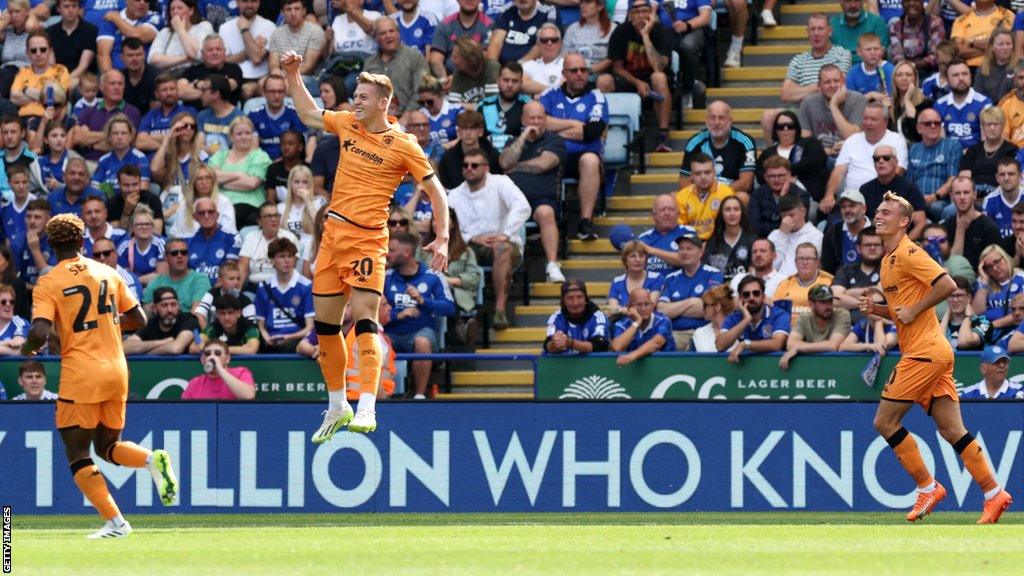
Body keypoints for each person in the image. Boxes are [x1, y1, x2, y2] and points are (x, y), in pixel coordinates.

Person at [283, 54, 450, 438]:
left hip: (368, 240)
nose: (355, 101)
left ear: (382, 103)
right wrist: (292, 74)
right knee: (326, 329)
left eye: (362, 96)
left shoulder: (403, 143)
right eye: (355, 95)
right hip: (332, 238)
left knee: (364, 321)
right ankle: (337, 405)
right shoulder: (347, 124)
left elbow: (435, 191)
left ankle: (367, 407)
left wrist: (441, 237)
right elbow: (309, 113)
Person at [19, 214, 176, 538]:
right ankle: (150, 459)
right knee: (108, 446)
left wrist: (28, 350)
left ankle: (116, 522)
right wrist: (107, 323)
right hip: (117, 369)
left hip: (82, 372)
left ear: (50, 244)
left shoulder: (49, 282)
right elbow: (140, 318)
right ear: (82, 241)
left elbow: (39, 329)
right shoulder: (107, 271)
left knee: (77, 452)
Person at [861, 191, 1012, 523]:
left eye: (886, 212)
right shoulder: (888, 260)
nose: (878, 215)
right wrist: (878, 310)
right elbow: (903, 313)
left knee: (884, 422)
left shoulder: (910, 253)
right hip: (935, 350)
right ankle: (993, 493)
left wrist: (915, 308)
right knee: (952, 429)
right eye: (878, 210)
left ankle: (927, 486)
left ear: (904, 222)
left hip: (924, 353)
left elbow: (946, 284)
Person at [448, 148, 530, 329]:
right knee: (448, 253)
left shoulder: (501, 182)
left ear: (485, 167)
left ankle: (499, 310)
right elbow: (448, 225)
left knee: (501, 248)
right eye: (465, 165)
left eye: (474, 165)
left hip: (502, 242)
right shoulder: (454, 195)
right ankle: (464, 314)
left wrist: (505, 234)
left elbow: (522, 206)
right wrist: (473, 238)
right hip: (470, 245)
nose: (469, 168)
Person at [538, 53, 607, 240]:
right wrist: (575, 124)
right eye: (574, 70)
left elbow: (593, 131)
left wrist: (555, 128)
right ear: (564, 74)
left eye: (583, 70)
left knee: (590, 161)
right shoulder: (550, 94)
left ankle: (585, 222)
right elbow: (537, 123)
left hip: (581, 155)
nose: (579, 74)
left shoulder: (596, 96)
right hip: (553, 153)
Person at [499, 101, 567, 283]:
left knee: (545, 213)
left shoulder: (555, 140)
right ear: (523, 119)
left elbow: (543, 164)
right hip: (512, 202)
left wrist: (517, 166)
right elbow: (505, 163)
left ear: (545, 120)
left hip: (542, 200)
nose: (536, 122)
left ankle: (552, 265)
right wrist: (523, 138)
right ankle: (509, 270)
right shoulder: (513, 141)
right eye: (532, 118)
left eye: (540, 118)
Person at [383, 230, 455, 398]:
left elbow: (449, 307)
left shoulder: (433, 276)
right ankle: (379, 395)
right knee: (371, 340)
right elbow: (374, 310)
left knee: (422, 342)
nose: (387, 254)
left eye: (392, 250)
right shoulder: (385, 277)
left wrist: (424, 301)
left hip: (420, 331)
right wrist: (398, 315)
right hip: (390, 332)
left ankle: (420, 395)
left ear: (406, 253)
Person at [821, 102, 909, 215]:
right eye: (865, 118)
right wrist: (828, 195)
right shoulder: (852, 141)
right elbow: (838, 172)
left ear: (885, 121)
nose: (868, 123)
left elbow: (898, 171)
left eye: (873, 119)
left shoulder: (896, 140)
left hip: (882, 200)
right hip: (850, 201)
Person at [608, 0, 673, 152]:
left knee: (659, 77)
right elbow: (617, 67)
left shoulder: (661, 31)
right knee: (604, 81)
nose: (641, 16)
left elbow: (659, 67)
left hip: (656, 83)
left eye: (645, 11)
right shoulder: (620, 32)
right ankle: (611, 133)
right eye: (636, 12)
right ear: (629, 15)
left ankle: (663, 134)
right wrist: (637, 83)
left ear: (651, 13)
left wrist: (645, 36)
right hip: (630, 80)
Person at [657, 231, 723, 350]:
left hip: (705, 330)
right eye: (681, 249)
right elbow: (662, 311)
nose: (684, 252)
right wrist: (692, 302)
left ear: (700, 252)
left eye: (689, 248)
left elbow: (711, 308)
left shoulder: (714, 274)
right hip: (676, 333)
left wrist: (675, 309)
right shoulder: (671, 278)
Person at [679, 101, 755, 199]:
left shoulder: (744, 142)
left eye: (721, 118)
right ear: (706, 120)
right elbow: (684, 180)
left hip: (731, 194)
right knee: (674, 198)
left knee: (743, 197)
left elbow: (746, 183)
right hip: (701, 193)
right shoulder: (695, 142)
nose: (716, 122)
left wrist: (718, 194)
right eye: (712, 117)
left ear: (730, 120)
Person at [254, 237, 313, 353]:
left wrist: (288, 338)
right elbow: (260, 325)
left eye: (290, 256)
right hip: (271, 340)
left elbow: (309, 327)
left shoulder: (306, 286)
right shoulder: (263, 288)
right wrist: (266, 336)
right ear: (272, 260)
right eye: (282, 256)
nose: (287, 260)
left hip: (296, 339)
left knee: (288, 346)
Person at [779, 14, 852, 108]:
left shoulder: (842, 55)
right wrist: (822, 86)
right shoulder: (798, 60)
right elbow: (786, 94)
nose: (816, 33)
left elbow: (836, 87)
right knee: (769, 116)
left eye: (820, 29)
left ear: (830, 31)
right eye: (812, 29)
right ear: (807, 32)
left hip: (832, 108)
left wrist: (801, 90)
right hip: (802, 110)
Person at [754, 111, 828, 203]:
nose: (786, 129)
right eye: (781, 127)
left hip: (809, 198)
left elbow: (815, 161)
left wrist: (784, 173)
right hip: (775, 199)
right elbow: (761, 176)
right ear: (776, 130)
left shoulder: (810, 143)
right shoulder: (767, 153)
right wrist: (786, 176)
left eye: (790, 126)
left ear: (796, 127)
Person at [798, 65, 866, 160]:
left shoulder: (857, 99)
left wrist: (833, 106)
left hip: (851, 156)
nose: (832, 85)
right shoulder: (808, 102)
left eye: (836, 81)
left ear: (843, 82)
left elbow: (852, 137)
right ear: (819, 85)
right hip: (820, 157)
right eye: (827, 82)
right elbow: (805, 143)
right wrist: (828, 151)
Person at [907, 107, 964, 222]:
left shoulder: (952, 145)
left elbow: (952, 179)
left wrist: (934, 197)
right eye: (928, 123)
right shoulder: (914, 149)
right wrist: (916, 199)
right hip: (916, 201)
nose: (933, 126)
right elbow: (909, 182)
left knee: (935, 207)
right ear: (919, 128)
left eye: (937, 123)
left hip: (940, 201)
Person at [859, 146, 928, 240]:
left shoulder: (909, 188)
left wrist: (902, 246)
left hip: (903, 242)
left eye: (886, 158)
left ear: (896, 162)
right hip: (873, 244)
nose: (881, 161)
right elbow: (860, 222)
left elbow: (921, 223)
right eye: (876, 159)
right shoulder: (865, 189)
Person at [73, 70, 142, 163]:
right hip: (89, 163)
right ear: (101, 87)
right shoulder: (88, 111)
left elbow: (125, 142)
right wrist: (113, 136)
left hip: (118, 164)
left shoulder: (132, 112)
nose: (117, 87)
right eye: (112, 83)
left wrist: (91, 143)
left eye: (120, 84)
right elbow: (78, 138)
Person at [364, 17, 429, 115]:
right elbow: (365, 95)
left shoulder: (415, 57)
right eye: (383, 33)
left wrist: (406, 118)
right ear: (376, 37)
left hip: (408, 118)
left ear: (398, 33)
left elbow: (421, 92)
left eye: (391, 31)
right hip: (377, 119)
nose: (388, 36)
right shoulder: (370, 63)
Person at [717, 274, 789, 362]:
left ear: (763, 297)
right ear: (740, 298)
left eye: (756, 293)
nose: (751, 298)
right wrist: (746, 320)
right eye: (746, 294)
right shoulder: (734, 317)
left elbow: (777, 344)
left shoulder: (778, 315)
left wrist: (746, 344)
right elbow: (720, 345)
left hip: (776, 368)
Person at [778, 283, 850, 370]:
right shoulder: (804, 317)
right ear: (811, 304)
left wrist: (798, 348)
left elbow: (832, 345)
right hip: (811, 367)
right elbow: (791, 344)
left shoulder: (842, 314)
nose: (828, 306)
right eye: (823, 302)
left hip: (838, 366)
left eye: (830, 301)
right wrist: (797, 347)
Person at [218, 0, 275, 100]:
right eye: (244, 1)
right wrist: (252, 48)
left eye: (253, 1)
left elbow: (256, 59)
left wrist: (245, 30)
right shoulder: (224, 28)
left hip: (261, 78)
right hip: (233, 76)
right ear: (237, 3)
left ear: (258, 3)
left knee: (247, 90)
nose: (249, 5)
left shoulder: (269, 26)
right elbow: (222, 61)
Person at [944, 176, 1002, 269]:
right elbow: (952, 266)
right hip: (954, 278)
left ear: (974, 194)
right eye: (958, 193)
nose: (962, 197)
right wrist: (960, 230)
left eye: (966, 192)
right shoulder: (946, 225)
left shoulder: (989, 227)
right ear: (951, 196)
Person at [428, 0, 493, 83]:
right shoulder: (444, 25)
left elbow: (485, 58)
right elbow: (435, 60)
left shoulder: (490, 25)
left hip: (477, 82)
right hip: (447, 82)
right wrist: (444, 81)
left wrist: (456, 80)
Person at [675, 152, 735, 241]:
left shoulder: (726, 193)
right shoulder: (681, 196)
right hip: (692, 243)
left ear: (714, 172)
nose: (703, 177)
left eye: (707, 172)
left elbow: (730, 227)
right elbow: (680, 229)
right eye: (698, 173)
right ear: (691, 176)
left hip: (719, 241)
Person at [10, 31, 70, 120]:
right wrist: (44, 96)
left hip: (49, 120)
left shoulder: (61, 70)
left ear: (50, 51)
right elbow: (14, 98)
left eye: (43, 49)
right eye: (33, 50)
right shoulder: (23, 72)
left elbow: (56, 98)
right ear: (27, 53)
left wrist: (26, 90)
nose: (38, 54)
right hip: (23, 119)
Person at [935, 58, 993, 149]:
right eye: (955, 75)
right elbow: (941, 143)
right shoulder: (939, 105)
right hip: (950, 156)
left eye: (965, 74)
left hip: (976, 157)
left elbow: (987, 142)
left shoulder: (984, 103)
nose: (961, 78)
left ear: (970, 76)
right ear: (947, 80)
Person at [247, 74, 307, 161]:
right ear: (264, 92)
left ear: (286, 93)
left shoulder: (296, 114)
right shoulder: (254, 115)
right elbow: (253, 149)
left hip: (289, 162)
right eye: (272, 91)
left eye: (280, 91)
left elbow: (299, 147)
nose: (276, 96)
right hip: (262, 162)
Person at [961, 107, 1018, 197]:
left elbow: (1011, 180)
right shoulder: (973, 150)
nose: (992, 128)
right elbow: (964, 179)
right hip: (972, 195)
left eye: (995, 124)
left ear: (1003, 125)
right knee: (949, 211)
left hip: (998, 194)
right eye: (988, 124)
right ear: (982, 127)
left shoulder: (1012, 150)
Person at [437, 109, 501, 189]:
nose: (468, 132)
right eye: (464, 128)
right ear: (459, 132)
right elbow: (447, 188)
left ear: (480, 131)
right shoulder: (448, 158)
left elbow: (499, 184)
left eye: (472, 128)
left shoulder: (493, 155)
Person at [773, 242, 835, 323]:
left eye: (809, 259)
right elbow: (776, 312)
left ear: (817, 262)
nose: (805, 262)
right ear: (795, 262)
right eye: (801, 258)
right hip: (788, 330)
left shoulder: (829, 282)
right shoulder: (785, 284)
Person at [544, 278, 609, 355]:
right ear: (563, 301)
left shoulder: (598, 317)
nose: (576, 303)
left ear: (586, 299)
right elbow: (547, 345)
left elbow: (600, 346)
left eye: (580, 297)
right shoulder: (556, 318)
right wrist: (555, 344)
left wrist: (571, 343)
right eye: (570, 298)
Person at [749, 156, 811, 237]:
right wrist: (781, 228)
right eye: (772, 176)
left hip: (795, 238)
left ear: (789, 175)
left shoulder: (801, 195)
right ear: (765, 177)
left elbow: (797, 225)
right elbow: (755, 226)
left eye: (781, 175)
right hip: (765, 239)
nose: (776, 180)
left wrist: (783, 199)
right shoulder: (757, 195)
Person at [177, 35, 245, 110]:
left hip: (224, 118)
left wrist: (196, 84)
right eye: (210, 50)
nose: (215, 53)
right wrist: (212, 91)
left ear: (224, 52)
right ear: (202, 53)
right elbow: (180, 93)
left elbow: (227, 87)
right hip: (192, 117)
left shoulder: (234, 69)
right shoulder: (192, 70)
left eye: (218, 49)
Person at [143, 238, 213, 310]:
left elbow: (197, 313)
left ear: (188, 256)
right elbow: (146, 311)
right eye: (174, 253)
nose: (180, 256)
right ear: (166, 258)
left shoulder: (200, 280)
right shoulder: (156, 282)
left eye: (184, 252)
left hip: (189, 320)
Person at [610, 287, 674, 365]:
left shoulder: (663, 321)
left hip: (666, 367)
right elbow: (617, 347)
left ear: (652, 306)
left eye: (646, 304)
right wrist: (637, 322)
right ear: (629, 307)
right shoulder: (622, 324)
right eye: (639, 305)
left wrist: (631, 356)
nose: (643, 308)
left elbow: (656, 343)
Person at [91, 115, 151, 197]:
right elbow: (94, 189)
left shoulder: (140, 158)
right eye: (115, 133)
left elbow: (143, 190)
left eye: (124, 133)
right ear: (109, 137)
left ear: (131, 136)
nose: (119, 137)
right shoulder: (103, 160)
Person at [563, 0, 615, 93]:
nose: (582, 6)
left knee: (605, 81)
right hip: (575, 72)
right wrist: (578, 72)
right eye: (581, 2)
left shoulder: (613, 29)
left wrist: (589, 71)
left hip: (600, 74)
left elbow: (611, 58)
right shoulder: (572, 29)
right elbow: (565, 56)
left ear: (600, 6)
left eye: (587, 2)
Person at [486, 0, 561, 65]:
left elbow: (543, 45)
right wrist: (494, 68)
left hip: (531, 68)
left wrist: (519, 67)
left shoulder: (549, 11)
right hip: (503, 69)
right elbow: (495, 43)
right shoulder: (506, 10)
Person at [268, 0, 325, 85]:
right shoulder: (277, 33)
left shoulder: (315, 31)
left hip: (309, 78)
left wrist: (285, 76)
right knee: (263, 84)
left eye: (297, 9)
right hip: (283, 77)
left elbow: (308, 67)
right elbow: (273, 65)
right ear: (283, 12)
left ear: (304, 11)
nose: (293, 13)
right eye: (288, 9)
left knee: (287, 84)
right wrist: (279, 75)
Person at [478, 62, 531, 153]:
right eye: (506, 80)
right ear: (498, 81)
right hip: (487, 159)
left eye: (515, 81)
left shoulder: (528, 106)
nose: (510, 85)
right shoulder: (484, 105)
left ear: (521, 83)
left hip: (517, 158)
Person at [147, 0, 213, 74]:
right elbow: (153, 60)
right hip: (170, 76)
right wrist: (183, 59)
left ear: (191, 10)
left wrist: (180, 30)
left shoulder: (204, 26)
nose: (175, 12)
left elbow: (198, 55)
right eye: (172, 9)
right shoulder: (165, 32)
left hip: (196, 74)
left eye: (180, 8)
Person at [186, 197, 241, 284]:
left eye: (211, 212)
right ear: (195, 217)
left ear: (217, 215)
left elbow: (230, 274)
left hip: (219, 291)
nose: (206, 216)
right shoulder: (187, 240)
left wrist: (211, 295)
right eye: (201, 213)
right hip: (193, 289)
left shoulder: (232, 238)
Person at [831, 226, 884, 317]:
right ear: (859, 248)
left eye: (876, 245)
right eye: (867, 245)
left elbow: (879, 297)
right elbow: (835, 299)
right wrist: (873, 289)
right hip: (847, 325)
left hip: (879, 325)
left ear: (883, 248)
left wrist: (848, 293)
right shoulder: (846, 270)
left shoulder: (889, 269)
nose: (872, 248)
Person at [95, 0, 161, 73]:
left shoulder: (155, 17)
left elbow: (138, 36)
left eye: (146, 0)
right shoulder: (109, 19)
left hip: (144, 75)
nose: (142, 3)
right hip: (116, 73)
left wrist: (116, 19)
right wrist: (111, 77)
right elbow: (103, 54)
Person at [46, 0, 98, 91]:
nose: (70, 10)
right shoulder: (49, 32)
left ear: (79, 8)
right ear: (58, 9)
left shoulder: (91, 30)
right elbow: (51, 64)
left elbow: (83, 66)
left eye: (74, 6)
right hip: (57, 77)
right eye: (66, 6)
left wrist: (64, 83)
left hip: (81, 78)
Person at [768, 194, 823, 278]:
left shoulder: (816, 235)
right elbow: (771, 266)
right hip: (775, 284)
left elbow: (810, 266)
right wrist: (782, 235)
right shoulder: (774, 235)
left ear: (803, 211)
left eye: (791, 215)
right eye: (784, 216)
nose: (787, 220)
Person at [702, 195, 755, 283]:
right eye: (727, 209)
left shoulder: (752, 241)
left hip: (744, 291)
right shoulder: (713, 243)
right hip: (718, 291)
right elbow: (706, 273)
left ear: (742, 213)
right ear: (721, 214)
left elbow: (753, 273)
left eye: (736, 209)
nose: (732, 214)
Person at [181, 339, 256, 400]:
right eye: (207, 354)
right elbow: (185, 411)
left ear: (227, 359)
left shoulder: (241, 372)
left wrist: (219, 369)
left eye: (217, 353)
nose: (212, 357)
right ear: (202, 360)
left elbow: (248, 396)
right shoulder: (194, 383)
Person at [606, 240, 665, 317]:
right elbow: (612, 310)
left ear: (646, 259)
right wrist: (617, 310)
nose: (638, 260)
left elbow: (648, 308)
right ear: (625, 260)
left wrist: (620, 310)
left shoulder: (656, 278)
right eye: (633, 256)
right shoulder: (617, 281)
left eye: (641, 256)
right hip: (623, 326)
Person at [950, 0, 1013, 68]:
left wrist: (971, 43)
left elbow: (1003, 42)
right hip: (968, 70)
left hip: (998, 68)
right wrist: (993, 47)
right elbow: (957, 51)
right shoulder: (961, 20)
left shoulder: (1008, 15)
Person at [888, 0, 945, 74]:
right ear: (902, 4)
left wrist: (913, 65)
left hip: (930, 71)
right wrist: (908, 68)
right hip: (906, 72)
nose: (911, 3)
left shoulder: (935, 23)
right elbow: (897, 56)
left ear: (922, 3)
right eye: (907, 1)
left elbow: (937, 56)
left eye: (916, 0)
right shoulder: (896, 26)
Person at [821, 190, 871, 274]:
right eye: (843, 207)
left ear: (864, 209)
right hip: (840, 284)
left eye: (852, 206)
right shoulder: (833, 232)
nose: (847, 210)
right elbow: (827, 269)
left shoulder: (877, 231)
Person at [195, 74, 244, 158]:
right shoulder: (202, 116)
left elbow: (242, 152)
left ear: (215, 94)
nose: (200, 94)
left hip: (230, 167)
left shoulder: (240, 118)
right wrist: (207, 162)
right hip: (206, 167)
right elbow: (198, 149)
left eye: (203, 90)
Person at [830, 0, 889, 65]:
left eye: (857, 0)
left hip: (870, 69)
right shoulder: (831, 25)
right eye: (848, 1)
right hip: (838, 70)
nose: (853, 5)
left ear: (863, 1)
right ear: (840, 1)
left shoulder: (877, 22)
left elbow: (881, 53)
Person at [941, 275, 992, 350]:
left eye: (959, 295)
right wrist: (946, 316)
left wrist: (968, 316)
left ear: (969, 298)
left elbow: (964, 341)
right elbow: (935, 345)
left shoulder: (983, 323)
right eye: (951, 296)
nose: (955, 300)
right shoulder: (941, 324)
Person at [889, 60, 934, 143]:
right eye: (899, 75)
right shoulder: (890, 105)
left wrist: (907, 100)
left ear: (915, 78)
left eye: (908, 75)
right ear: (894, 79)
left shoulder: (927, 103)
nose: (904, 78)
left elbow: (917, 131)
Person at [957, 345, 1022, 399]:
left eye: (1005, 362)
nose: (1002, 365)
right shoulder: (969, 394)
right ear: (983, 368)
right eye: (996, 362)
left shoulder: (1019, 391)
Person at [982, 157, 1024, 238]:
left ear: (1020, 176)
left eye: (1011, 174)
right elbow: (987, 234)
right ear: (997, 178)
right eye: (1002, 174)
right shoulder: (989, 201)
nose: (1006, 178)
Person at [690, 284, 733, 352]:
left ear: (717, 307)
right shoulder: (699, 333)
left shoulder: (739, 330)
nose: (702, 309)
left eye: (705, 305)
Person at [998, 61, 1024, 148]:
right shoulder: (1006, 104)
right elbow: (1004, 139)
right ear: (1014, 80)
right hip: (1016, 155)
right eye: (1021, 78)